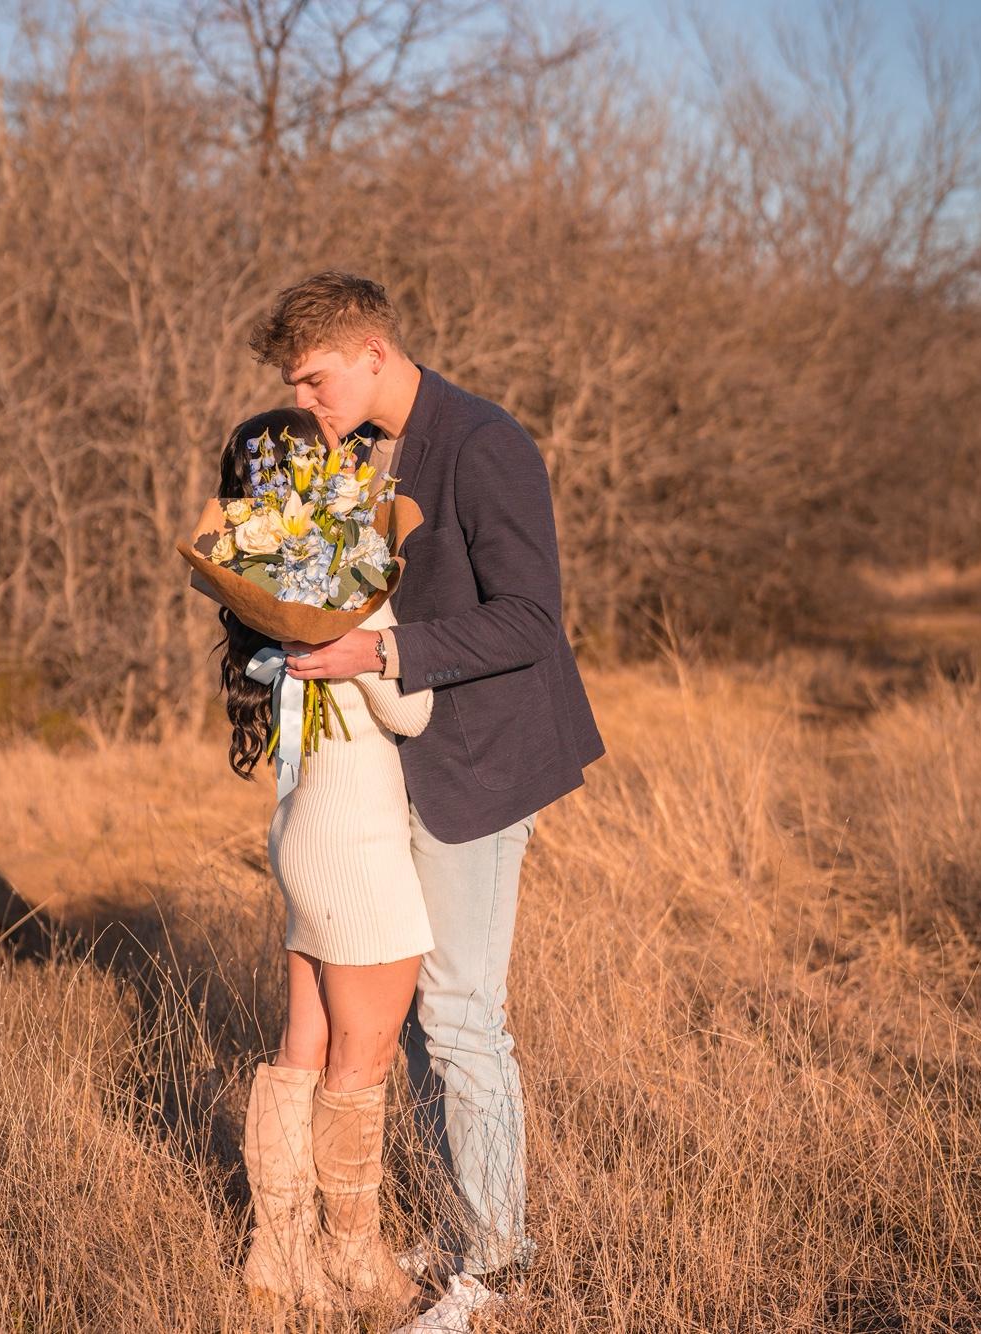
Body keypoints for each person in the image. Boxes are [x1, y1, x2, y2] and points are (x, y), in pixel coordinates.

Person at [250, 272, 606, 1329]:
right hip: (399, 767)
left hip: (484, 764)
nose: (304, 400)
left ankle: (496, 1269)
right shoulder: (365, 452)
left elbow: (530, 618)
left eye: (314, 379)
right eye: (295, 385)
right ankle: (463, 1229)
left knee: (460, 1016)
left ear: (372, 351)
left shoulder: (485, 442)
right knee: (414, 1024)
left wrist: (377, 651)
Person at [213, 406, 434, 1321]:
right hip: (357, 843)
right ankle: (354, 1257)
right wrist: (386, 645)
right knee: (361, 1063)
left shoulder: (264, 589)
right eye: (337, 454)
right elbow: (411, 713)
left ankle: (276, 1259)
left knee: (300, 1051)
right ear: (319, 478)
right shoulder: (346, 578)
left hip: (302, 830)